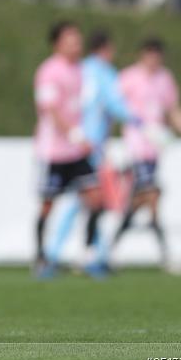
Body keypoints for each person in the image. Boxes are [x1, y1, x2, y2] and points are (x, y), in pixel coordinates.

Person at [111, 38, 181, 273]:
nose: (154, 60)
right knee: (152, 196)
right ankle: (164, 255)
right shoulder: (129, 78)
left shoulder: (165, 79)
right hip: (136, 148)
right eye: (150, 55)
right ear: (142, 55)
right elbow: (113, 105)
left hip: (154, 150)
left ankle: (108, 249)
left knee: (143, 201)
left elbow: (173, 110)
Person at [45, 31, 137, 268]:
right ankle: (80, 255)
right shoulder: (104, 73)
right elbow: (116, 105)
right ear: (106, 50)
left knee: (82, 200)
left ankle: (69, 253)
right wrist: (141, 122)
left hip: (74, 141)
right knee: (89, 200)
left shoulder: (80, 69)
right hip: (90, 145)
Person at [33, 22, 106, 279]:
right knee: (47, 206)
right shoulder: (49, 71)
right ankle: (41, 258)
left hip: (76, 153)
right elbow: (50, 110)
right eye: (71, 40)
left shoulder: (81, 71)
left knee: (97, 200)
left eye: (78, 39)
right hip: (53, 152)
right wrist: (76, 135)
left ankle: (87, 257)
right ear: (57, 44)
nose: (77, 44)